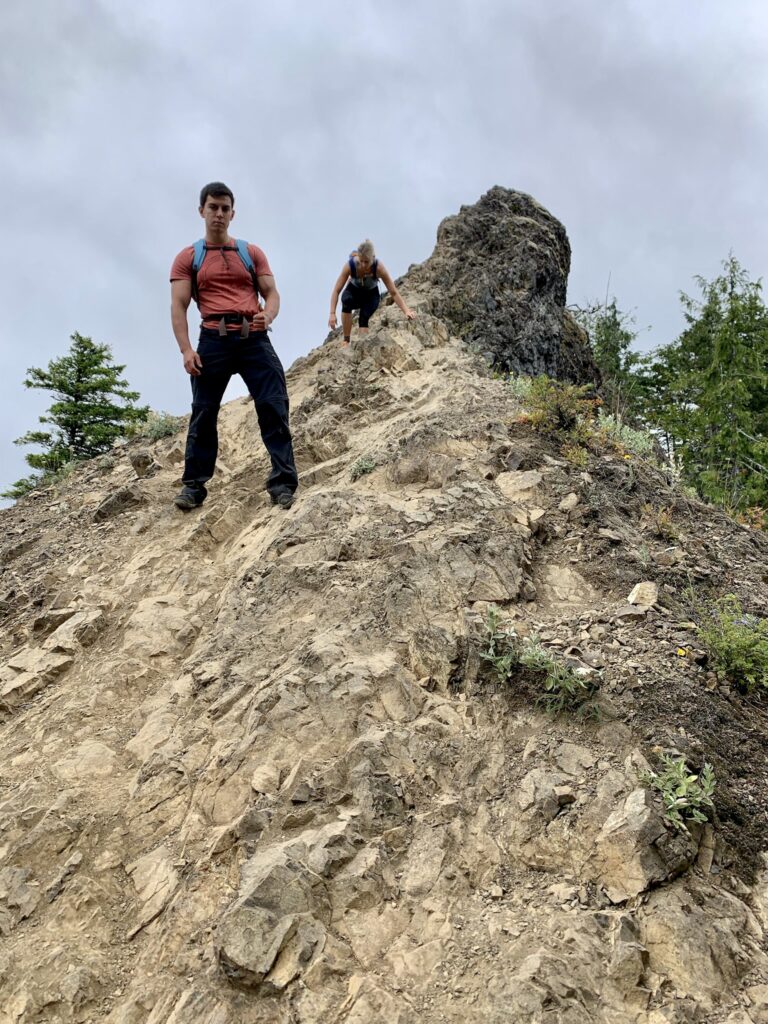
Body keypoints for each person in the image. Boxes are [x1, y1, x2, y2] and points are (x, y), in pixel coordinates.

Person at [170, 182, 298, 511]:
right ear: (202, 211)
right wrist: (186, 350)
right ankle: (193, 487)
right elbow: (178, 305)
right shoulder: (189, 258)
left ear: (232, 213)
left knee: (273, 404)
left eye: (225, 208)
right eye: (213, 207)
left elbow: (271, 293)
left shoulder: (250, 253)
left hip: (254, 338)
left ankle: (283, 483)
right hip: (213, 339)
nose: (219, 214)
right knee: (204, 412)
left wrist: (267, 315)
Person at [328, 240, 415, 344]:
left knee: (363, 318)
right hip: (354, 291)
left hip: (371, 295)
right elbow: (336, 290)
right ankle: (346, 341)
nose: (364, 265)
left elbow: (393, 292)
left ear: (373, 258)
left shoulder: (379, 268)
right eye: (361, 261)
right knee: (346, 301)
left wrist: (406, 311)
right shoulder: (350, 265)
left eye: (367, 262)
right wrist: (332, 313)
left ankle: (362, 345)